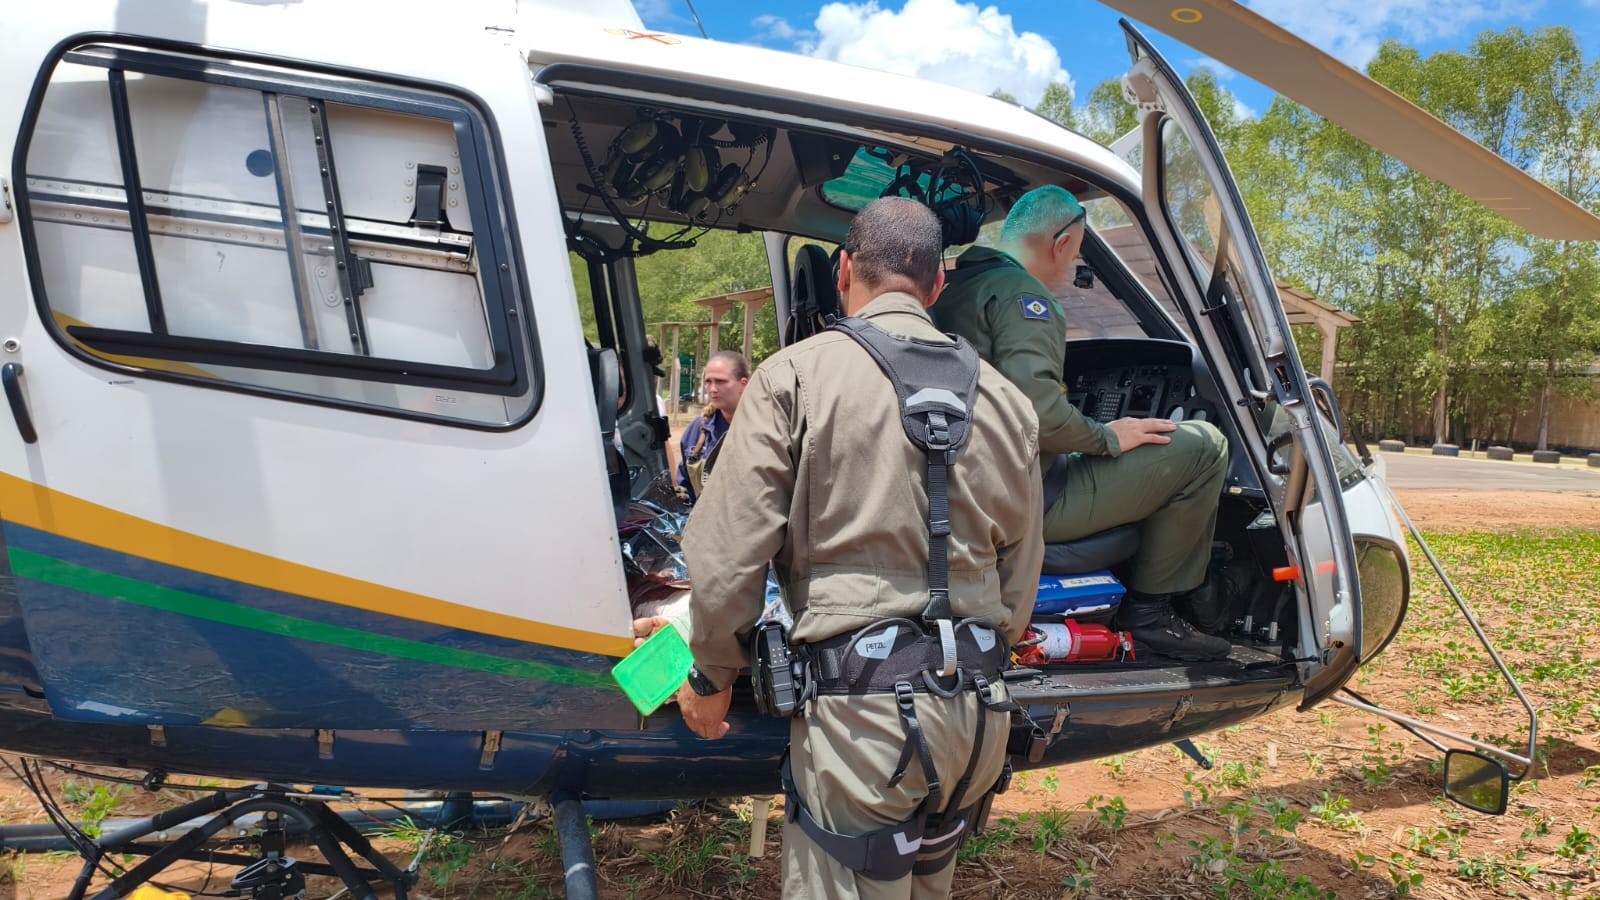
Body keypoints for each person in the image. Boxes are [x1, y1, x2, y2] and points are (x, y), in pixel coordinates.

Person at [637, 197, 1044, 899]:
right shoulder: (1008, 401)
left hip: (864, 730)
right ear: (938, 286)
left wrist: (710, 678)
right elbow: (1020, 576)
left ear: (845, 269)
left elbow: (730, 553)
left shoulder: (793, 376)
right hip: (978, 718)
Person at [930, 185, 1231, 661]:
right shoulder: (1023, 296)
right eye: (1075, 256)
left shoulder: (946, 291)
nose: (1071, 271)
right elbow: (1042, 417)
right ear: (1062, 242)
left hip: (962, 488)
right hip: (1025, 498)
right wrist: (1108, 436)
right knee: (1204, 446)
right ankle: (1153, 615)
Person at [674, 350, 749, 502]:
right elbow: (685, 485)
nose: (713, 389)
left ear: (743, 385)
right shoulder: (698, 429)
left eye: (721, 381)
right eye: (708, 381)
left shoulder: (764, 427)